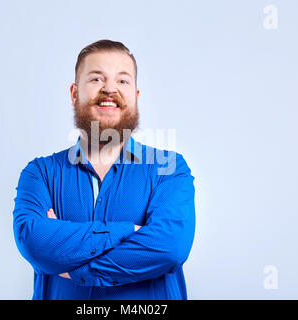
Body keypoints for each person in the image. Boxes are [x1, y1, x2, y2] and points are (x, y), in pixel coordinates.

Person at [13, 39, 196, 300]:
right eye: (97, 79)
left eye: (123, 81)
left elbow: (169, 248)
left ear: (135, 96)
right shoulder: (40, 173)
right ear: (74, 94)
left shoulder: (169, 168)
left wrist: (74, 266)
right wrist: (128, 231)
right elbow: (35, 241)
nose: (110, 88)